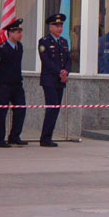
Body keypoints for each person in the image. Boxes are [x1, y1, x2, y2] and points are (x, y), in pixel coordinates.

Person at [0, 18, 27, 147]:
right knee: (1, 112)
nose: (20, 34)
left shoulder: (19, 47)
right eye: (17, 32)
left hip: (16, 84)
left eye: (21, 31)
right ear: (10, 33)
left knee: (20, 109)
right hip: (3, 85)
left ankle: (14, 136)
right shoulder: (1, 49)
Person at [38, 13, 71, 147]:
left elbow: (68, 59)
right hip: (49, 79)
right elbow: (46, 61)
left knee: (56, 109)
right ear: (51, 27)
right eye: (56, 26)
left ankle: (48, 136)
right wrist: (59, 71)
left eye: (61, 26)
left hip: (60, 80)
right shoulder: (44, 41)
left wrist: (66, 71)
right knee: (51, 108)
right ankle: (45, 138)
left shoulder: (63, 41)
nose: (59, 28)